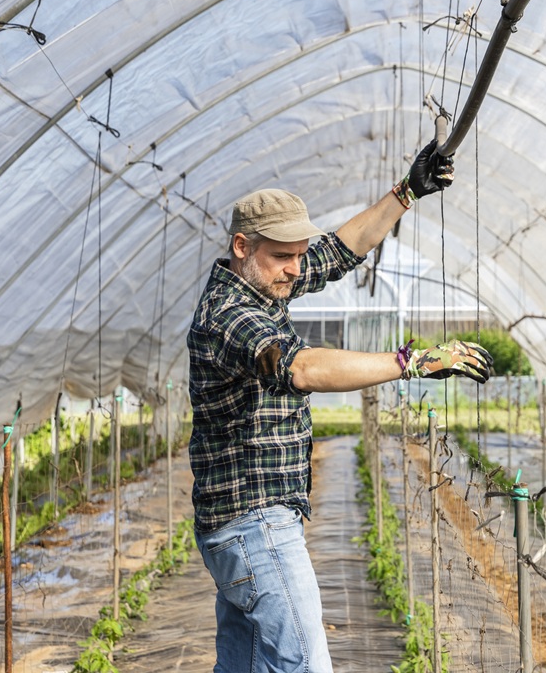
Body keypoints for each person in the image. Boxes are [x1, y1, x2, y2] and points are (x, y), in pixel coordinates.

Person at [187, 139, 494, 672]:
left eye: (297, 254)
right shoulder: (229, 315)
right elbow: (301, 367)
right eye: (283, 256)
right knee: (305, 665)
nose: (295, 268)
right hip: (253, 526)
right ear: (242, 246)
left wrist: (405, 193)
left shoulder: (266, 282)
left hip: (240, 528)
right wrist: (411, 362)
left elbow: (338, 250)